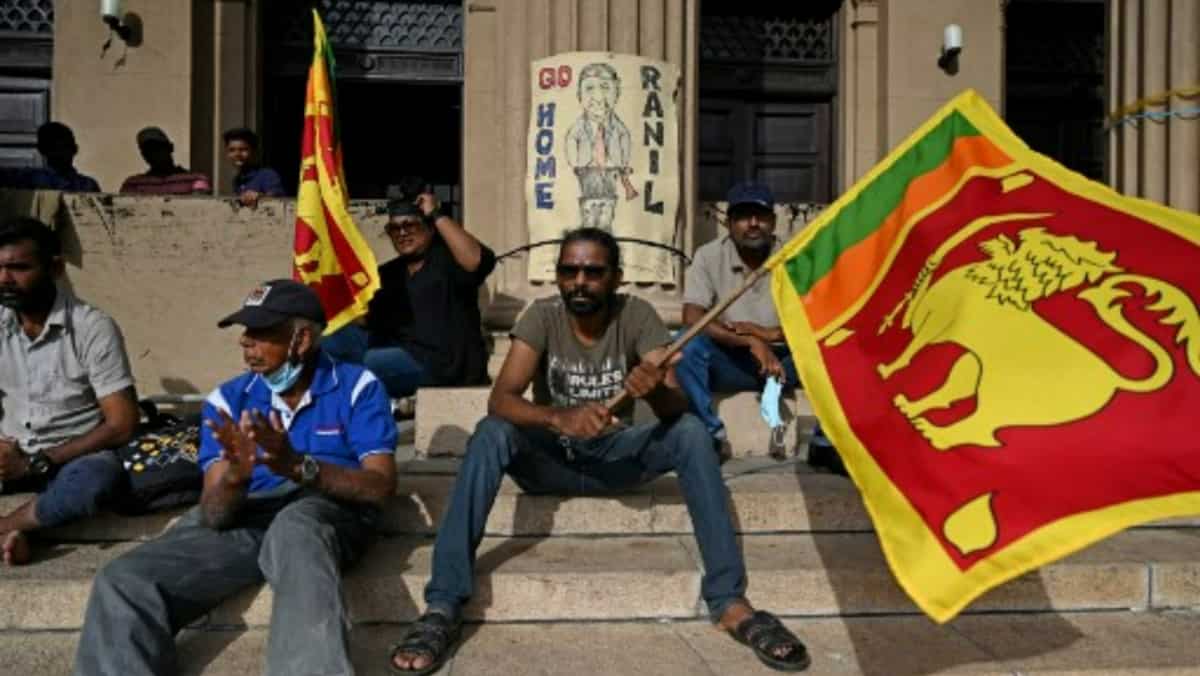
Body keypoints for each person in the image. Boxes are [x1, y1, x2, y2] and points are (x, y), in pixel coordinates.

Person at [388, 228, 810, 675]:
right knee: (492, 430)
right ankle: (442, 604)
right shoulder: (541, 316)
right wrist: (557, 418)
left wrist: (654, 393)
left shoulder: (638, 315)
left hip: (616, 458)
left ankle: (729, 601)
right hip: (551, 460)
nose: (580, 282)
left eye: (593, 272)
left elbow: (675, 404)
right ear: (558, 277)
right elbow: (502, 398)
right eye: (570, 271)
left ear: (615, 278)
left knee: (689, 431)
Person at [74, 279, 399, 675]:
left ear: (301, 339)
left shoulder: (357, 386)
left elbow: (380, 486)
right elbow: (213, 516)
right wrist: (234, 479)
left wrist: (299, 467)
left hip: (327, 508)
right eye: (245, 332)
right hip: (248, 514)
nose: (246, 343)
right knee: (124, 580)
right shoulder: (228, 400)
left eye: (261, 333)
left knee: (295, 528)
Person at [0, 217, 138, 565]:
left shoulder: (92, 327)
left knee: (97, 479)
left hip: (71, 459)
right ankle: (26, 529)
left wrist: (37, 463)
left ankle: (12, 526)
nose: (5, 279)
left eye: (19, 268)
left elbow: (121, 424)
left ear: (56, 268)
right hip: (9, 456)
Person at [322, 191, 496, 399]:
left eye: (410, 225)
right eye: (395, 228)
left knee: (371, 364)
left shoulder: (448, 261)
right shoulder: (389, 273)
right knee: (329, 340)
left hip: (443, 363)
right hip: (398, 350)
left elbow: (477, 260)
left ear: (430, 228)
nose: (402, 233)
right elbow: (365, 319)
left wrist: (436, 214)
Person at [0, 122, 102, 192]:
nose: (62, 153)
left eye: (65, 146)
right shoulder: (29, 179)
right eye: (56, 148)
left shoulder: (88, 185)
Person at [118, 127, 211, 195]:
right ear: (143, 155)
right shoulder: (133, 184)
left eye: (158, 147)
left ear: (170, 147)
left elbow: (200, 212)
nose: (154, 153)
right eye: (148, 150)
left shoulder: (195, 180)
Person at [224, 127, 284, 207]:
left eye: (243, 149)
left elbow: (278, 197)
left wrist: (259, 195)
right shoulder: (237, 180)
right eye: (232, 150)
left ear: (254, 151)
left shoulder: (268, 175)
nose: (237, 154)